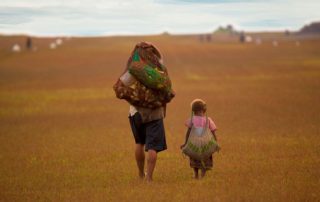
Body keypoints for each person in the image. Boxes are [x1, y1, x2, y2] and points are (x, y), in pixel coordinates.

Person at [119, 42, 169, 182]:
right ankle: (149, 178)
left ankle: (141, 174)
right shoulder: (158, 67)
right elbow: (160, 57)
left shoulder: (134, 69)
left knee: (139, 143)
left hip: (135, 112)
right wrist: (153, 47)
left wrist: (133, 98)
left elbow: (122, 84)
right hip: (155, 112)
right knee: (152, 147)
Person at [181, 99, 218, 179]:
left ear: (193, 111)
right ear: (204, 110)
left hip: (194, 144)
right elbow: (213, 132)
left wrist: (185, 143)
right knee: (205, 158)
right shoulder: (208, 120)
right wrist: (216, 143)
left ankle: (196, 174)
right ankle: (203, 175)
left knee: (194, 158)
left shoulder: (192, 120)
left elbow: (188, 133)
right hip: (206, 144)